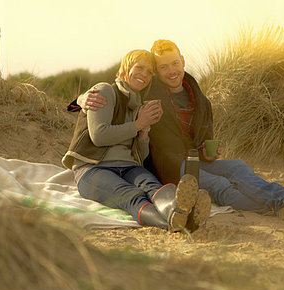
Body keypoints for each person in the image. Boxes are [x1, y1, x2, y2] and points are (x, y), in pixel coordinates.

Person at [75, 40, 284, 220]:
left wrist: (211, 151)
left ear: (182, 61)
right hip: (168, 166)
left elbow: (204, 141)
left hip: (195, 159)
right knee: (221, 186)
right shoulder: (149, 92)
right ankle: (281, 206)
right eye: (162, 67)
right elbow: (122, 84)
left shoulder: (200, 99)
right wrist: (81, 98)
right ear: (157, 72)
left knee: (237, 167)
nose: (170, 71)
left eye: (174, 63)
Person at [62, 49, 212, 232]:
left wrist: (144, 131)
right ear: (126, 67)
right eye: (139, 67)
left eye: (149, 72)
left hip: (129, 166)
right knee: (132, 196)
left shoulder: (139, 104)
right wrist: (80, 100)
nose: (145, 74)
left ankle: (181, 212)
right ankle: (175, 223)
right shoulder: (104, 90)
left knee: (155, 188)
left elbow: (140, 155)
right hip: (93, 169)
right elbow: (99, 136)